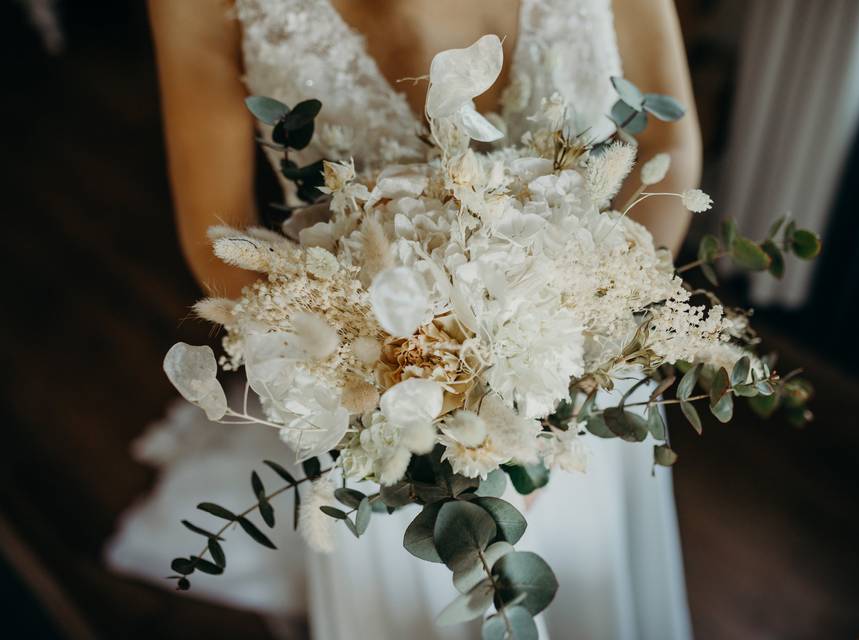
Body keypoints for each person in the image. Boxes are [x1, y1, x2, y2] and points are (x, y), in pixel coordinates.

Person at [108, 1, 701, 638]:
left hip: (579, 375)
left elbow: (667, 141)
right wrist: (380, 387)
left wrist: (586, 353)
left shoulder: (585, 368)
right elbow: (217, 235)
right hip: (379, 415)